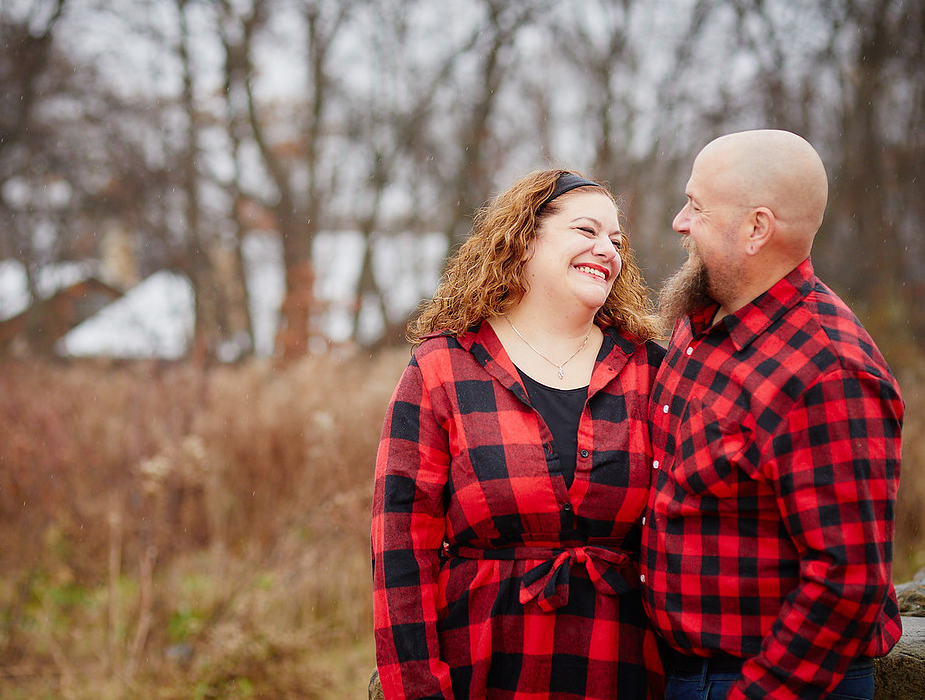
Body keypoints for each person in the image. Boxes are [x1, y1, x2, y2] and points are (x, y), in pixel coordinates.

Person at [372, 168, 666, 700]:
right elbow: (399, 547)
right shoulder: (444, 366)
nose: (608, 250)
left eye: (617, 241)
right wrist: (416, 688)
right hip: (483, 665)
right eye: (586, 231)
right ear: (524, 239)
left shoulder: (650, 370)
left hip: (620, 668)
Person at [642, 129, 904, 700]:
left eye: (697, 207)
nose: (679, 222)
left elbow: (848, 581)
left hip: (761, 681)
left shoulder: (830, 373)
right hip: (679, 672)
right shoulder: (701, 321)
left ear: (756, 229)